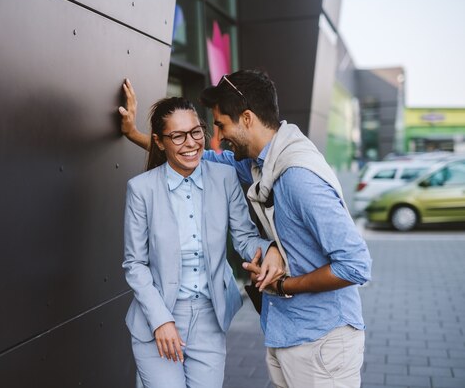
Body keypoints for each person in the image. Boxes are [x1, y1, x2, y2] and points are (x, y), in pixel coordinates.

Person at [119, 71, 372, 388]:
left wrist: (285, 284)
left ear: (248, 118)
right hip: (289, 332)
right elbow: (189, 155)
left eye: (221, 125)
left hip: (322, 338)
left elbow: (356, 264)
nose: (219, 135)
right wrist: (134, 133)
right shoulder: (257, 163)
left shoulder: (298, 177)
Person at [122, 96, 285, 388]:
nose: (191, 143)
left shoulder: (224, 177)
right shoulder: (141, 189)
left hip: (210, 318)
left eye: (196, 131)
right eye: (178, 136)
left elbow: (245, 237)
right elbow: (135, 264)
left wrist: (270, 251)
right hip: (156, 318)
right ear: (160, 142)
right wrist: (161, 320)